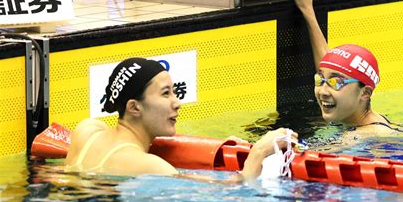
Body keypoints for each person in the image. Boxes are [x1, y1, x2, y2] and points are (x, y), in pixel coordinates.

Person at [65, 57, 298, 181]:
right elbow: (233, 189)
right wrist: (258, 151)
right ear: (134, 107)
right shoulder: (151, 167)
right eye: (166, 94)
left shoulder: (87, 131)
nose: (177, 103)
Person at [291, 0, 403, 139]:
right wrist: (307, 9)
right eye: (320, 79)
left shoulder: (364, 135)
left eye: (336, 82)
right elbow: (327, 64)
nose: (323, 91)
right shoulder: (355, 116)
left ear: (365, 93)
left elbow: (300, 158)